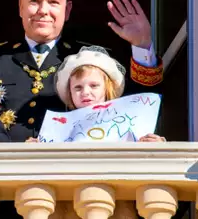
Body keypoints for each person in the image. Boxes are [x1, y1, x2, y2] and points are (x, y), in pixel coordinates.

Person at [0, 0, 163, 143]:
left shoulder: (93, 59)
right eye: (34, 1)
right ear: (21, 7)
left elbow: (139, 106)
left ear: (67, 10)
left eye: (53, 2)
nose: (43, 10)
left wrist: (142, 46)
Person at [34, 45, 165, 218]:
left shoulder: (128, 121)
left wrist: (155, 146)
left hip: (117, 204)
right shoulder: (59, 127)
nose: (85, 92)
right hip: (68, 205)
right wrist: (35, 148)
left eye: (94, 85)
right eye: (78, 88)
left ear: (107, 88)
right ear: (70, 94)